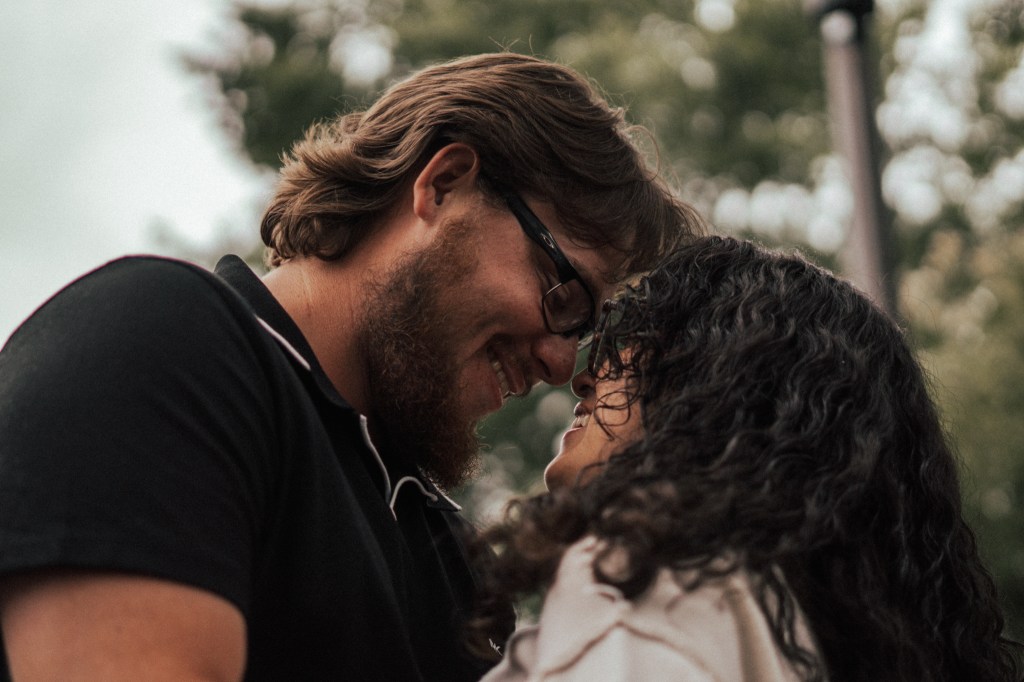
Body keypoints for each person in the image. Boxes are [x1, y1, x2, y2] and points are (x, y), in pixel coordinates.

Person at [0, 53, 702, 681]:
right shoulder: (170, 344)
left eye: (585, 328)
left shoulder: (450, 560)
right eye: (563, 293)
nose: (560, 361)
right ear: (444, 184)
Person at [474, 236, 1022, 681]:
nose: (582, 376)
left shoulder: (647, 591)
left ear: (714, 388)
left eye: (630, 339)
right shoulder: (798, 635)